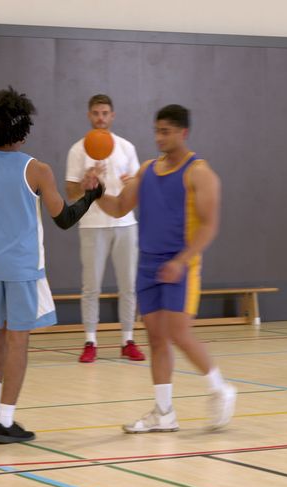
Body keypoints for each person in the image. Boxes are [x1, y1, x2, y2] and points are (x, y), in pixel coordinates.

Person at [0, 87, 105, 443]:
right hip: (23, 269)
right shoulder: (37, 170)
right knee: (18, 340)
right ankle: (5, 421)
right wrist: (93, 194)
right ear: (23, 128)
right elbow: (64, 219)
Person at [93, 104, 236, 433]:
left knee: (178, 332)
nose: (159, 137)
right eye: (157, 131)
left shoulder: (199, 172)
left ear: (183, 133)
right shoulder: (146, 170)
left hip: (181, 263)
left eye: (166, 132)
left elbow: (209, 226)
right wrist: (95, 191)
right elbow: (118, 207)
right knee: (157, 338)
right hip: (148, 264)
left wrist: (180, 262)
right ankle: (164, 412)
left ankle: (220, 388)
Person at [65, 94, 145, 363]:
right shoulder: (78, 150)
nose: (100, 118)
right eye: (96, 113)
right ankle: (90, 341)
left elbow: (137, 186)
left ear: (112, 116)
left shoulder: (126, 147)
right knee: (91, 287)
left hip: (125, 224)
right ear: (89, 115)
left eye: (105, 113)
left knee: (128, 285)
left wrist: (131, 182)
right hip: (92, 224)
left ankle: (127, 340)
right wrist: (86, 183)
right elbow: (70, 192)